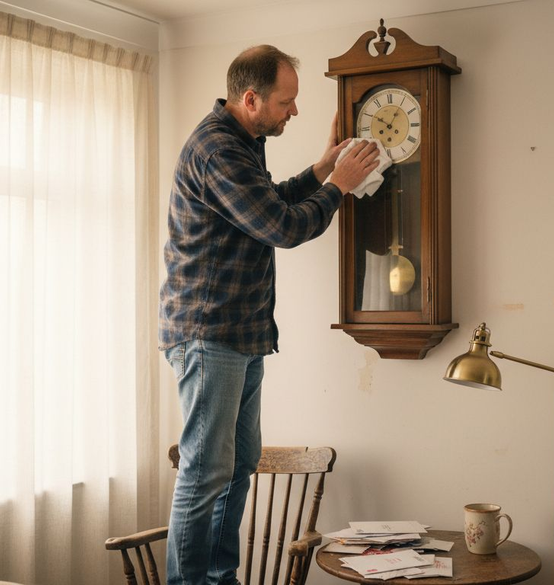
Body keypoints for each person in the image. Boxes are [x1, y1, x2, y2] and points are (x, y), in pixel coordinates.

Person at [158, 45, 380, 585]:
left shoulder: (243, 142)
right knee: (205, 473)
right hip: (210, 334)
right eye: (287, 102)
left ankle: (219, 579)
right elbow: (282, 228)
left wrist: (322, 168)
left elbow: (270, 203)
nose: (295, 112)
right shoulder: (218, 151)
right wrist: (338, 187)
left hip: (241, 335)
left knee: (236, 468)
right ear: (251, 98)